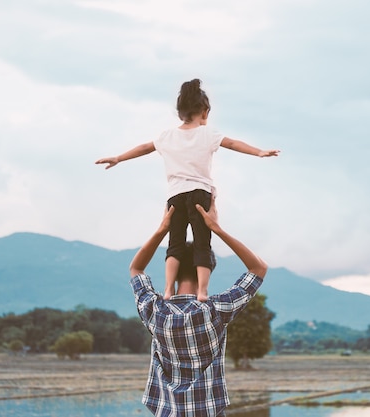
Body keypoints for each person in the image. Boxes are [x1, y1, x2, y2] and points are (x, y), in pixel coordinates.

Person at [96, 78, 279, 301]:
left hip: (175, 195)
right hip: (200, 192)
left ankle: (168, 289)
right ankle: (202, 291)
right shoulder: (208, 133)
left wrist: (119, 157)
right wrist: (258, 152)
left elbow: (145, 147)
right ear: (204, 111)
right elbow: (232, 143)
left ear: (180, 112)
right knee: (202, 242)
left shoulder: (166, 136)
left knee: (175, 244)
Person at [129, 199, 268, 417]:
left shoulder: (154, 310)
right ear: (207, 270)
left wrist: (163, 230)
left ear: (172, 271)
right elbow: (258, 268)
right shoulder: (215, 310)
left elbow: (136, 268)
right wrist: (215, 229)